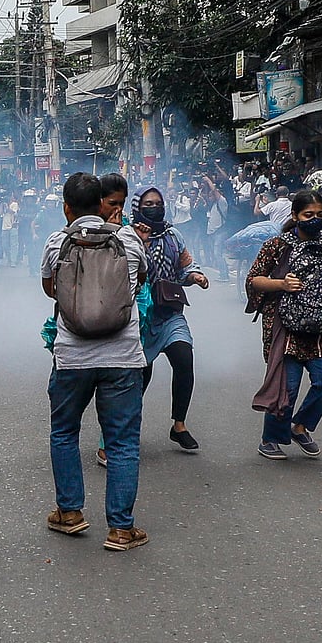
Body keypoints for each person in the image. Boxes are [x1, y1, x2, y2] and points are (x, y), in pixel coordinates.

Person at [41, 173, 149, 551]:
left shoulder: (58, 241)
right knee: (121, 443)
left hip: (72, 356)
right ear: (103, 205)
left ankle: (69, 513)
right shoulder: (129, 238)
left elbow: (50, 289)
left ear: (67, 208)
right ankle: (121, 529)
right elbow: (139, 282)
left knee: (65, 432)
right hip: (122, 356)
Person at [247, 190, 322, 459]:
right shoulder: (277, 246)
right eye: (308, 215)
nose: (315, 219)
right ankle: (271, 439)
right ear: (295, 216)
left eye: (320, 215)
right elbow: (254, 279)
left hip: (320, 327)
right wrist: (282, 284)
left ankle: (299, 427)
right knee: (288, 385)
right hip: (286, 325)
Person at [131, 186, 207, 452]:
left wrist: (195, 277)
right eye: (148, 203)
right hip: (140, 317)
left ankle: (179, 425)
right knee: (141, 376)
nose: (155, 207)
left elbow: (186, 266)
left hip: (171, 313)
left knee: (184, 360)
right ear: (138, 206)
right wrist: (141, 243)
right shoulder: (128, 236)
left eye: (159, 203)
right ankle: (126, 426)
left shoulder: (173, 235)